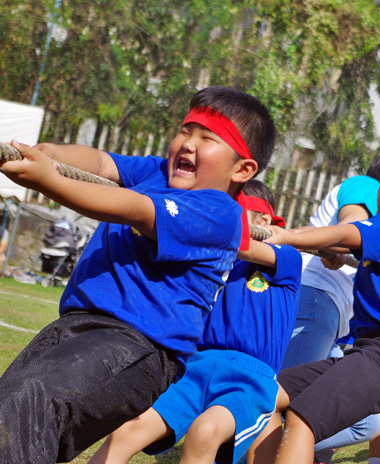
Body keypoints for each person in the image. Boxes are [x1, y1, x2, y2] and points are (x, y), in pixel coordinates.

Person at [0, 86, 275, 463]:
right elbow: (100, 163)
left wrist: (51, 181)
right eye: (185, 130)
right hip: (77, 327)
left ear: (242, 169)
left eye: (207, 138)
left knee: (32, 399)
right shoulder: (156, 173)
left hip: (137, 348)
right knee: (11, 412)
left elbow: (137, 210)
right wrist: (53, 154)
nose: (188, 143)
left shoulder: (218, 212)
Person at [87, 180, 301, 464]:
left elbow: (246, 248)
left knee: (205, 432)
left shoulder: (287, 259)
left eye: (233, 208)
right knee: (127, 430)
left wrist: (204, 226)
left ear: (264, 218)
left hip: (250, 378)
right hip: (197, 365)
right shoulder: (210, 261)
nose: (221, 214)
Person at [263, 156, 380, 464]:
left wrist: (288, 236)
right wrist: (338, 255)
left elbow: (343, 233)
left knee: (302, 418)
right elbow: (348, 247)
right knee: (271, 393)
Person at [282, 145, 380, 369]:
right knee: (284, 393)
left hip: (330, 310)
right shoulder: (370, 187)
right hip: (318, 295)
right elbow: (347, 229)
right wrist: (335, 248)